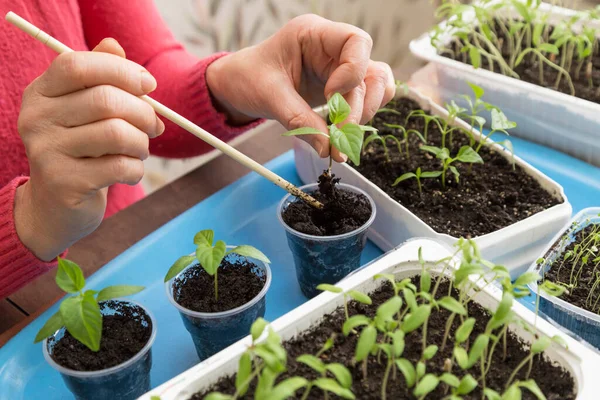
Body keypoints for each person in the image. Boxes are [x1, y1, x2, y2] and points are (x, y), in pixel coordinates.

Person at [0, 0, 395, 299]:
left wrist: (229, 80)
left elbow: (147, 70)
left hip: (127, 238)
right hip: (24, 303)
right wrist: (34, 218)